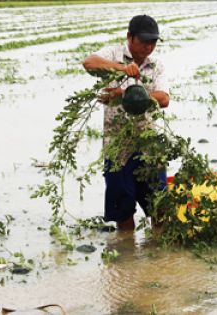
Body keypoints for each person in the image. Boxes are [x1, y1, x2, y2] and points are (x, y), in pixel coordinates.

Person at [82, 15, 171, 230]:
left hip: (148, 143)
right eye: (144, 41)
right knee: (122, 207)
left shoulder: (156, 65)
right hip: (117, 145)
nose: (149, 47)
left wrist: (135, 95)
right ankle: (127, 253)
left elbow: (164, 98)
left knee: (158, 203)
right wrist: (122, 69)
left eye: (153, 42)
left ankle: (159, 251)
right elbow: (88, 62)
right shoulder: (113, 54)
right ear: (130, 37)